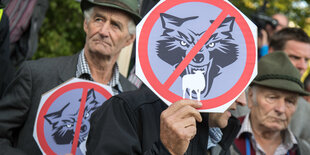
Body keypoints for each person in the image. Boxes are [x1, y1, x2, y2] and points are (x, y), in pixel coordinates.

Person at [0, 0, 140, 154]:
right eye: (98, 20)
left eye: (115, 25)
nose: (104, 31)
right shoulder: (36, 75)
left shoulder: (134, 100)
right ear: (86, 24)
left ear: (129, 39)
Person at [86, 82, 248, 154]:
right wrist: (167, 150)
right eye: (236, 85)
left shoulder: (220, 139)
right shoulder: (126, 110)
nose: (242, 101)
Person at [230, 51, 309, 155]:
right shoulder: (222, 139)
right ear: (250, 97)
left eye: (290, 101)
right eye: (272, 98)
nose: (281, 109)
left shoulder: (303, 150)